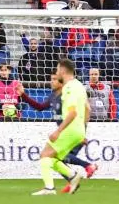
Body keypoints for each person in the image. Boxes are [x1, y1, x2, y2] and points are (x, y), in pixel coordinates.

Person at [20, 72, 98, 188]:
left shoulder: (68, 95)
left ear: (62, 83)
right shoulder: (53, 96)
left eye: (54, 79)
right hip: (64, 133)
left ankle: (82, 170)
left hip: (72, 133)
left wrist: (82, 132)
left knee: (49, 156)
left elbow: (85, 109)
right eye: (51, 79)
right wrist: (23, 95)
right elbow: (40, 107)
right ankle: (74, 178)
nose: (51, 82)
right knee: (57, 158)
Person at [31, 59, 87, 196]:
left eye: (57, 70)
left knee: (45, 154)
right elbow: (87, 109)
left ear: (62, 70)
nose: (56, 73)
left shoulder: (69, 88)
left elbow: (72, 113)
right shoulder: (80, 85)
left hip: (70, 129)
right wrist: (83, 131)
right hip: (78, 130)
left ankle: (49, 188)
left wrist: (58, 130)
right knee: (53, 158)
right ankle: (72, 176)